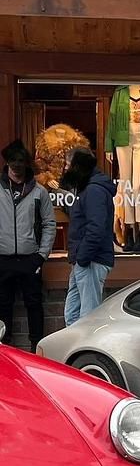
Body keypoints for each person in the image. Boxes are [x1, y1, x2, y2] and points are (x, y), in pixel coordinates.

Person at [0, 140, 56, 351]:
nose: (16, 166)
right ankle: (4, 349)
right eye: (13, 162)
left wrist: (41, 256)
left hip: (29, 258)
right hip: (3, 258)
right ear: (7, 164)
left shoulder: (39, 192)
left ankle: (36, 348)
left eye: (20, 162)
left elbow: (50, 223)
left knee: (34, 305)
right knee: (3, 306)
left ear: (26, 164)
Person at [61, 148, 115, 325]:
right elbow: (87, 220)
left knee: (88, 318)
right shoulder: (88, 189)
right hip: (84, 260)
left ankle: (86, 352)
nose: (65, 169)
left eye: (68, 165)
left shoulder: (93, 190)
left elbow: (96, 228)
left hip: (91, 260)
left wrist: (83, 257)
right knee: (72, 315)